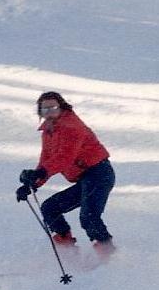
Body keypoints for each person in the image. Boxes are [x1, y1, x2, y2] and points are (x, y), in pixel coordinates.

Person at [16, 92, 116, 255]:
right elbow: (47, 159)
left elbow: (65, 156)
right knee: (50, 208)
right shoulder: (49, 131)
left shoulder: (72, 126)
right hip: (85, 178)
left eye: (53, 107)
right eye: (44, 108)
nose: (49, 111)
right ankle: (68, 252)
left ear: (61, 107)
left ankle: (108, 256)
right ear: (39, 111)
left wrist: (41, 172)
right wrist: (31, 184)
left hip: (99, 174)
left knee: (89, 216)